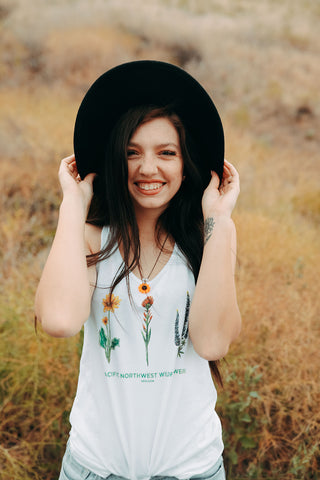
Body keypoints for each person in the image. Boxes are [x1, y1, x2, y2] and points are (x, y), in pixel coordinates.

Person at [35, 60, 241, 480]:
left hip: (192, 469)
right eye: (132, 153)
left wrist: (218, 218)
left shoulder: (210, 238)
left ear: (186, 165)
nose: (148, 168)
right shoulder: (92, 238)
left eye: (166, 153)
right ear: (115, 160)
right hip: (94, 468)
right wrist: (73, 206)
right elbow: (58, 320)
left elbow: (213, 342)